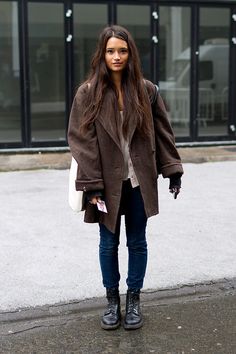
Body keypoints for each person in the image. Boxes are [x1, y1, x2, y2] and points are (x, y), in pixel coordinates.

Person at [68, 25, 183, 330]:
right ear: (101, 54)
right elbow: (82, 142)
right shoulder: (87, 93)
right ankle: (111, 301)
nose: (116, 57)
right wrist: (92, 184)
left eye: (122, 50)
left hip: (137, 182)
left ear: (130, 53)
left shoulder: (147, 91)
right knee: (108, 243)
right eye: (110, 51)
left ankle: (133, 299)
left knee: (138, 242)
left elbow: (163, 133)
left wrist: (172, 170)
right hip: (104, 185)